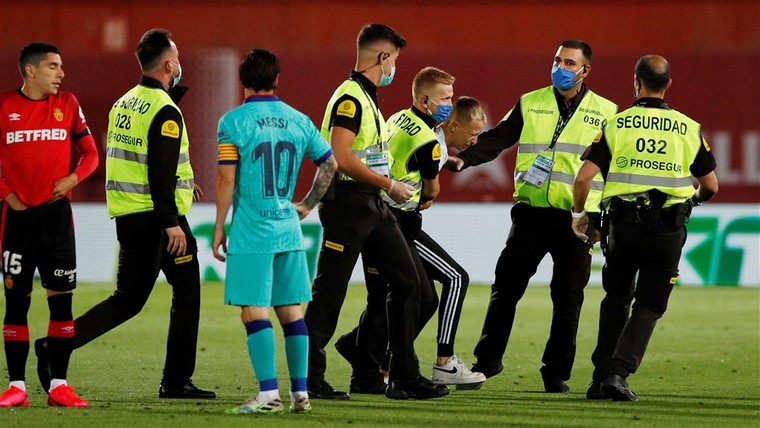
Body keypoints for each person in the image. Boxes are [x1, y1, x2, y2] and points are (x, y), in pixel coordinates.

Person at [35, 28, 215, 400]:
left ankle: (56, 345)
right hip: (159, 219)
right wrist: (171, 222)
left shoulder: (124, 103)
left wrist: (183, 185)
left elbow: (142, 161)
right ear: (168, 63)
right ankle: (176, 381)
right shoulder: (165, 110)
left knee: (127, 300)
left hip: (130, 216)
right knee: (187, 293)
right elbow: (159, 170)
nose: (179, 63)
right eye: (177, 57)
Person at [451, 39, 617, 393]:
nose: (560, 67)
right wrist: (466, 159)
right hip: (530, 214)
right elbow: (499, 138)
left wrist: (602, 219)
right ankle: (487, 361)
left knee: (568, 299)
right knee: (505, 288)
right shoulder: (531, 101)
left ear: (585, 70)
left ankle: (555, 373)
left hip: (579, 219)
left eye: (569, 63)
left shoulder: (607, 112)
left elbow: (613, 170)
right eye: (557, 59)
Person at [303, 23, 448, 401]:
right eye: (394, 60)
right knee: (329, 293)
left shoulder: (367, 97)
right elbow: (341, 156)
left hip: (372, 205)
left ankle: (400, 377)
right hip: (350, 205)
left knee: (408, 283)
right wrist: (389, 185)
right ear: (383, 57)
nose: (394, 67)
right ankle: (310, 378)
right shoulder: (350, 98)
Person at [572, 55, 718, 401]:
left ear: (635, 82)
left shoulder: (616, 124)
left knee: (616, 299)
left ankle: (600, 378)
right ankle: (618, 374)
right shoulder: (688, 127)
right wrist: (691, 203)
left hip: (622, 228)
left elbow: (583, 178)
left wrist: (580, 214)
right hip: (667, 230)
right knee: (650, 306)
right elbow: (711, 185)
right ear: (668, 84)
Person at [211, 49, 338, 414]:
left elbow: (226, 175)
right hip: (287, 230)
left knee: (253, 311)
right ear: (277, 79)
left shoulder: (232, 122)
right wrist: (307, 205)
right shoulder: (298, 120)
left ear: (243, 81)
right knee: (291, 311)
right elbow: (329, 163)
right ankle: (301, 393)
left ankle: (268, 394)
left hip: (253, 232)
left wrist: (220, 226)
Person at [335, 92, 489, 390]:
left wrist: (448, 163)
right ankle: (442, 362)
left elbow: (411, 157)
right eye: (473, 133)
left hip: (381, 215)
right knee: (454, 279)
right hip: (396, 222)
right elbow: (430, 190)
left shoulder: (404, 121)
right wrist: (427, 192)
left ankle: (364, 351)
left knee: (412, 299)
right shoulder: (431, 143)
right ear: (454, 125)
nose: (475, 140)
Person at [0, 42, 98, 408]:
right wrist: (7, 195)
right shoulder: (4, 105)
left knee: (62, 304)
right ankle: (16, 387)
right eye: (53, 66)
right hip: (17, 220)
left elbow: (90, 154)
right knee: (15, 303)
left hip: (57, 220)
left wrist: (73, 178)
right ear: (31, 70)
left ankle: (59, 384)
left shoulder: (68, 105)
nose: (61, 73)